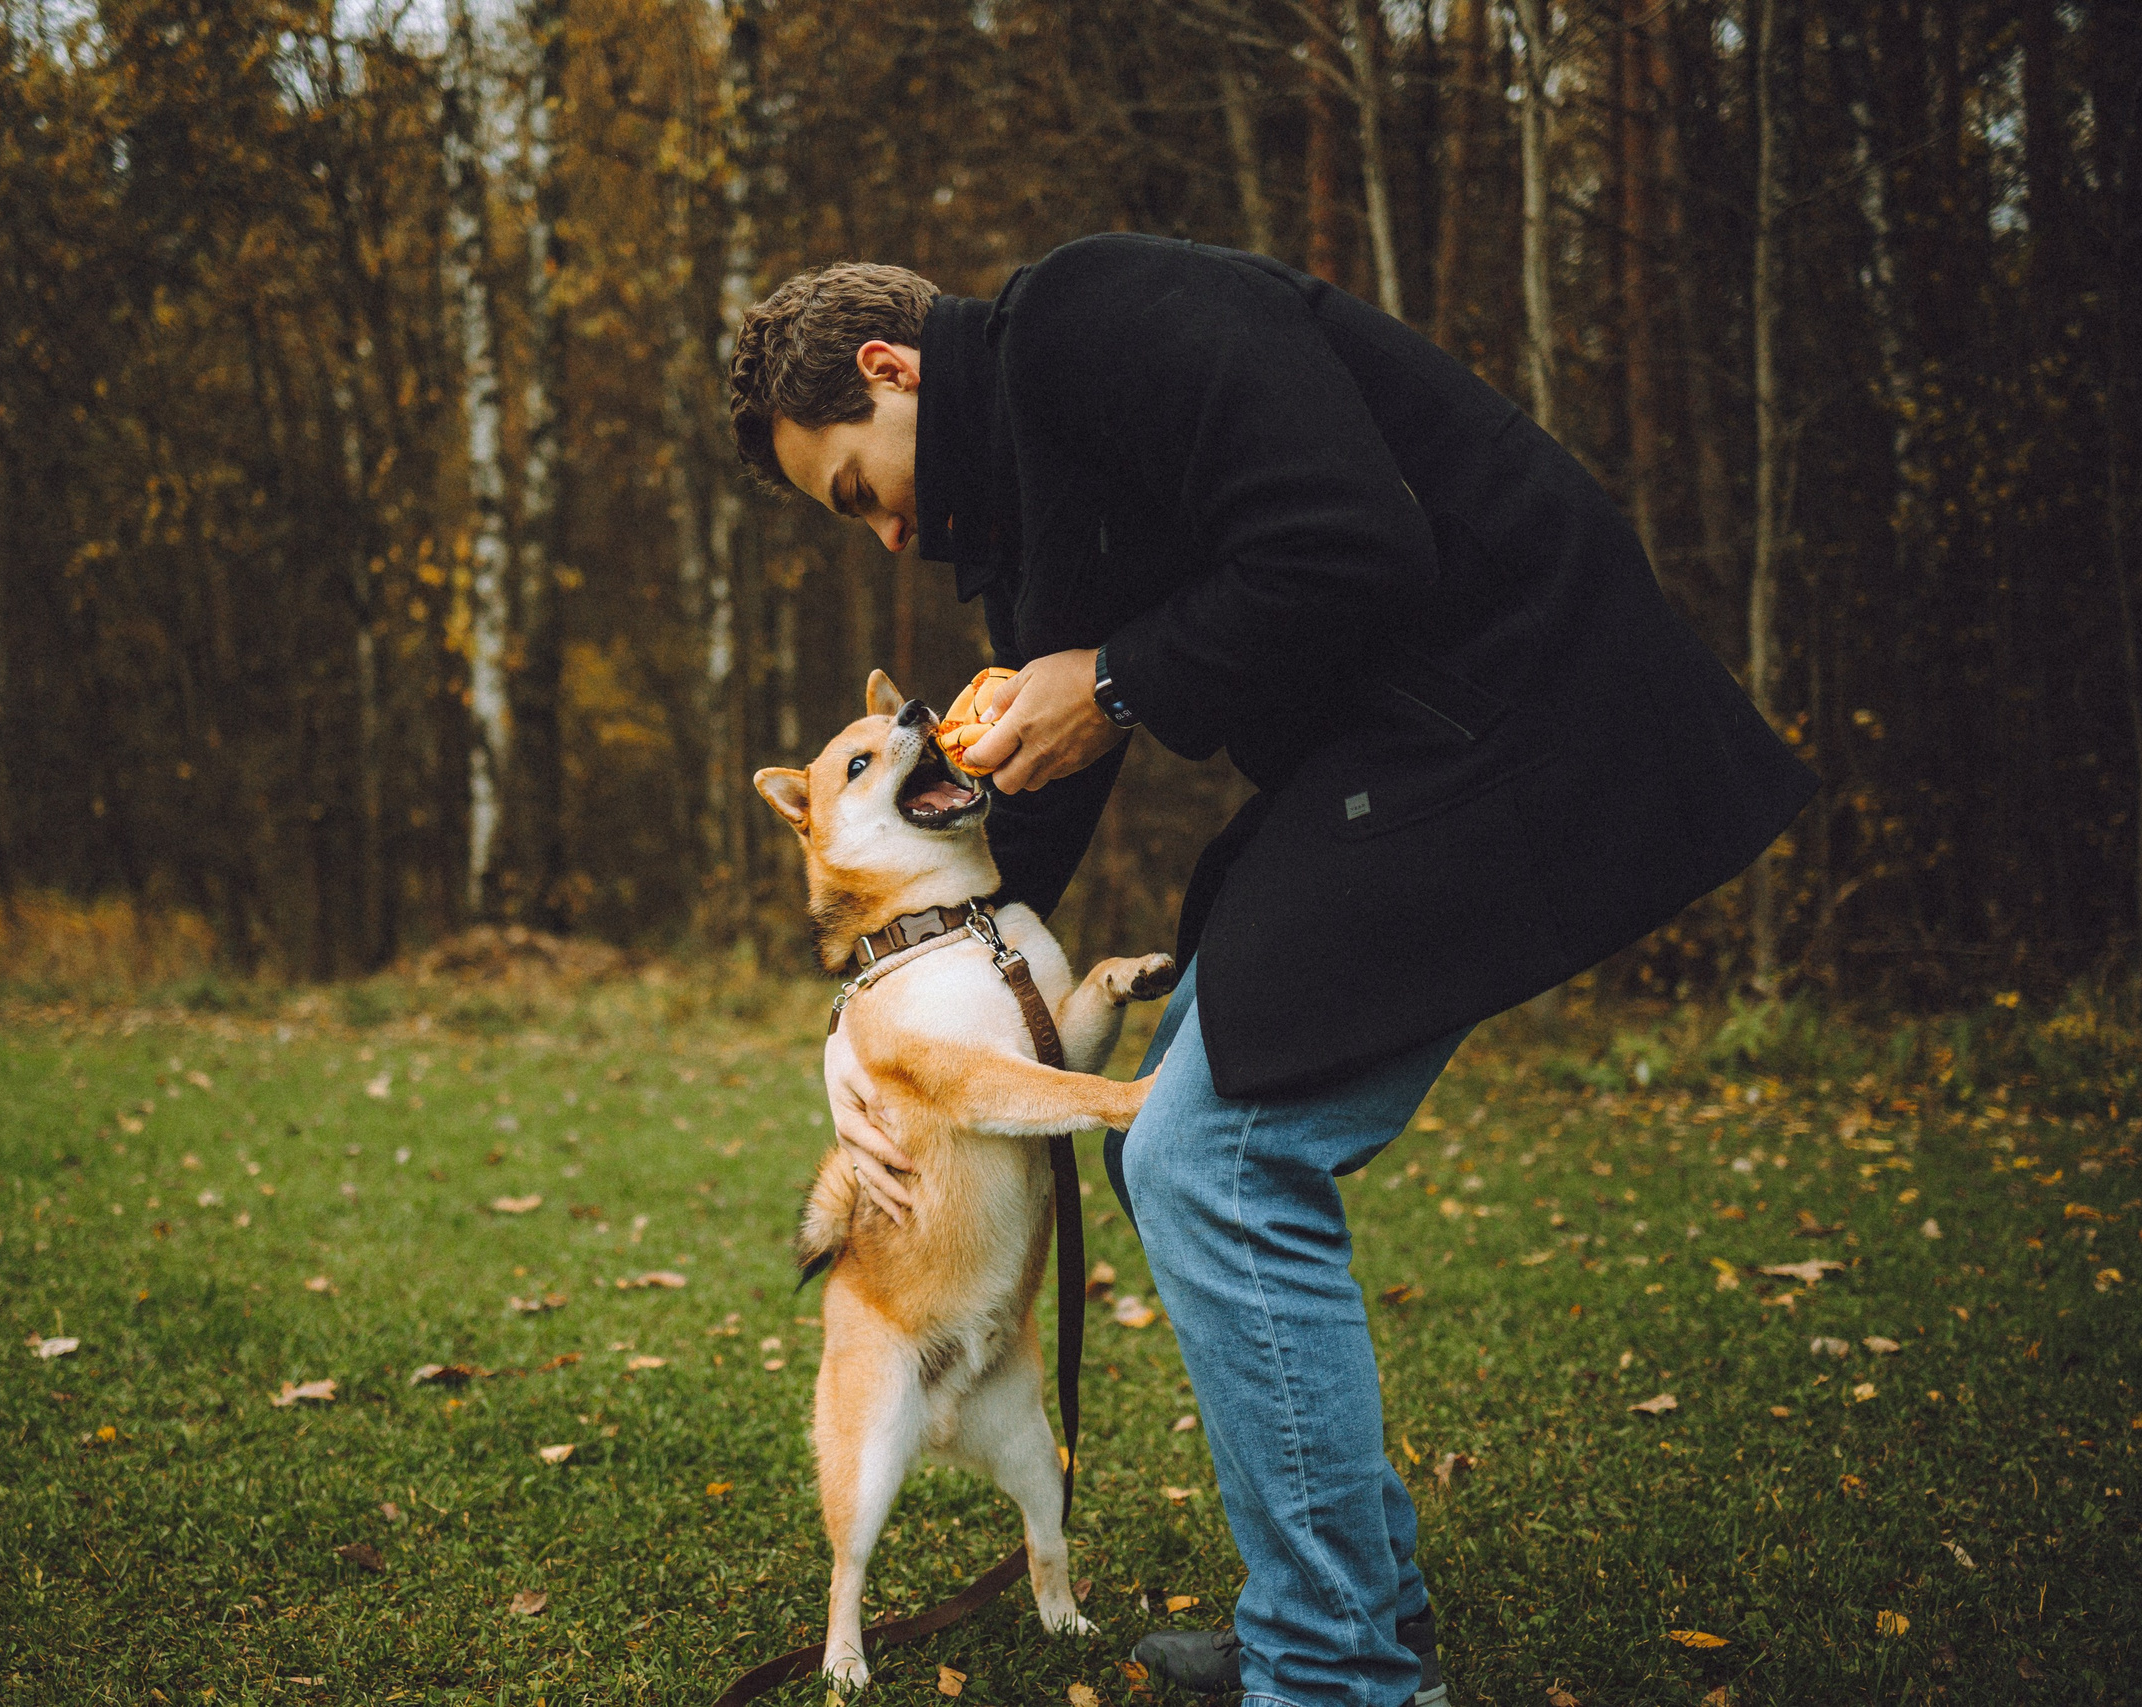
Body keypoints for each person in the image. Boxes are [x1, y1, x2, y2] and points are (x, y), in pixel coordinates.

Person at [725, 235, 1813, 1707]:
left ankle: (1339, 1669)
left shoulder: (1089, 319)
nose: (885, 536)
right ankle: (1335, 1615)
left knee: (1211, 1159)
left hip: (1516, 704)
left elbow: (1354, 542)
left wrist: (1110, 685)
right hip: (1402, 749)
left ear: (893, 370)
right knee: (1183, 1144)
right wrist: (865, 1040)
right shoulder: (1037, 525)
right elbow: (1015, 830)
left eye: (859, 489)